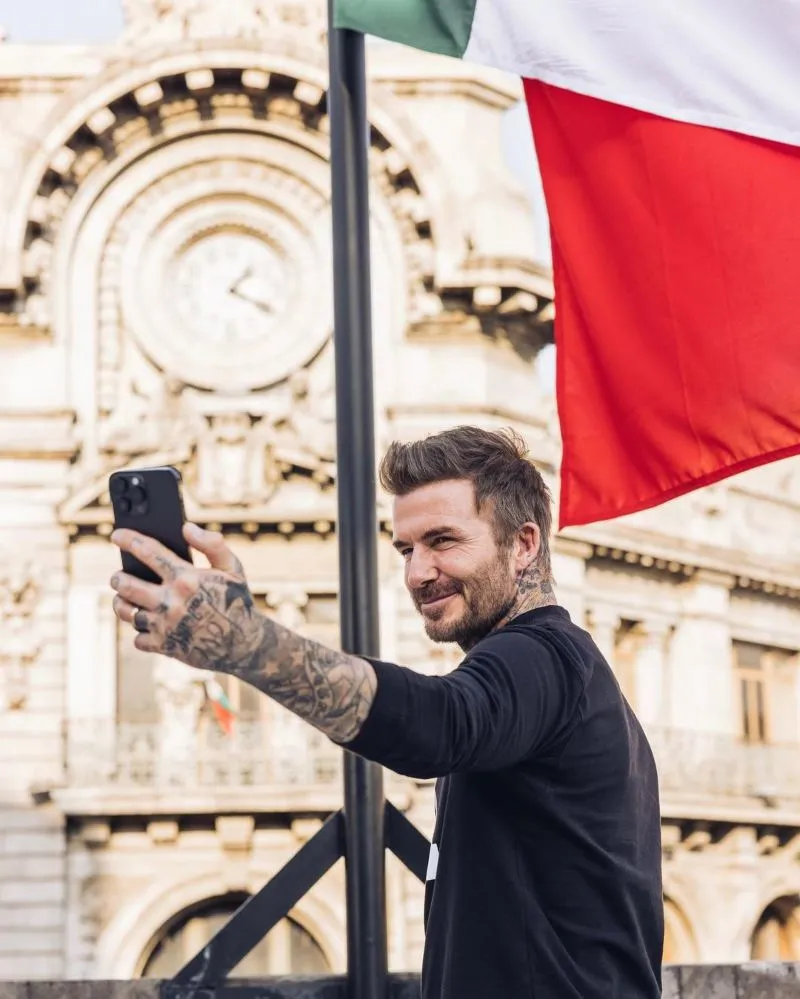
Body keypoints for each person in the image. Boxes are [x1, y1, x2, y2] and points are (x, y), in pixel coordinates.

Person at [109, 425, 663, 999]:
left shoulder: (541, 657)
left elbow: (438, 722)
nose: (417, 573)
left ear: (523, 543)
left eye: (443, 541)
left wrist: (248, 645)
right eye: (406, 548)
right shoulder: (559, 670)